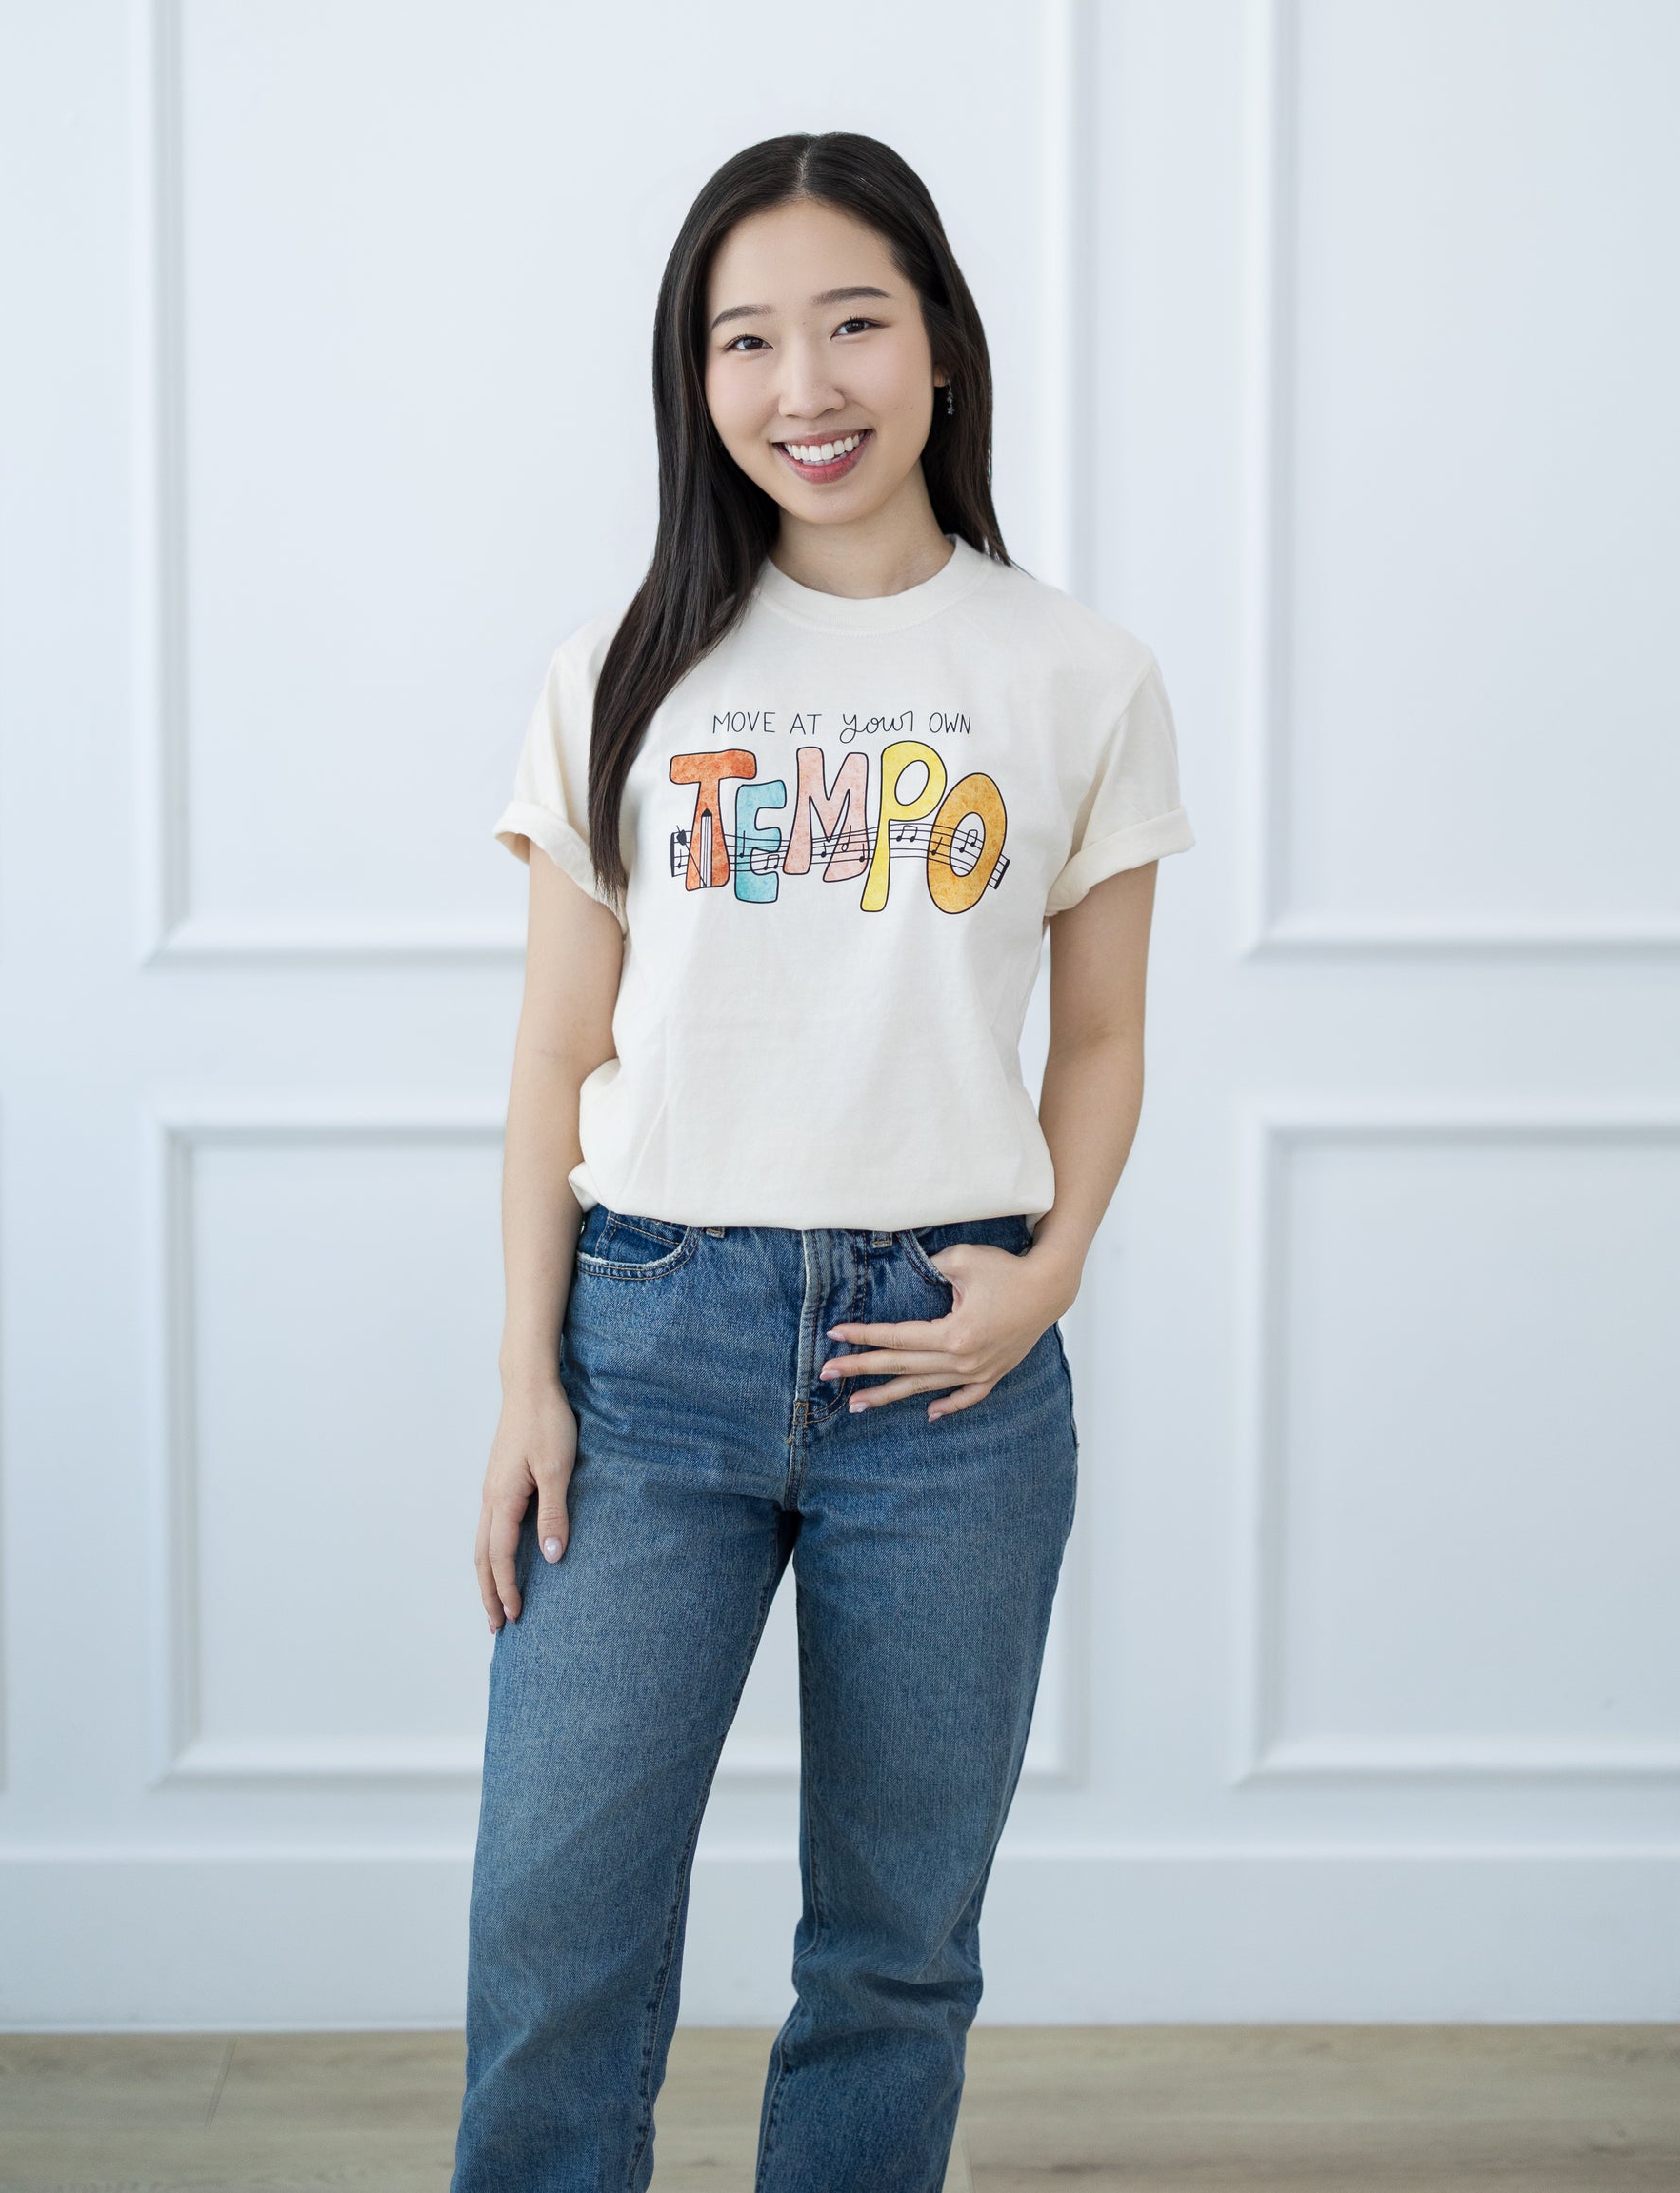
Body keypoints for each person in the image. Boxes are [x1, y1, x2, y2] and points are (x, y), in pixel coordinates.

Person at [450, 132, 1193, 2192]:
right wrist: (526, 1377)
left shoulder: (1073, 673)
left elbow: (1111, 1030)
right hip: (647, 1345)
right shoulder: (626, 665)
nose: (806, 384)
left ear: (938, 343)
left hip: (943, 1371)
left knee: (893, 1947)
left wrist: (1044, 1274)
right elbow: (552, 1044)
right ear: (695, 382)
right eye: (744, 338)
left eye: (852, 319)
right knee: (556, 1932)